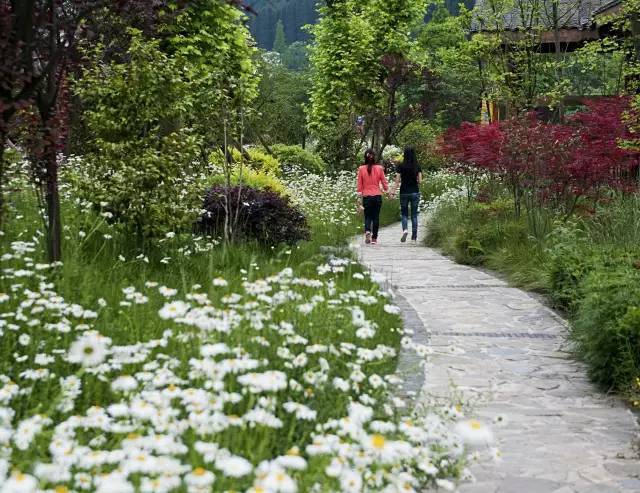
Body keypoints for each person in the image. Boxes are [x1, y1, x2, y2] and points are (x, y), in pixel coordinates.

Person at [357, 149, 388, 245]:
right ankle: (374, 239)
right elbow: (384, 182)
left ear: (365, 157)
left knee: (368, 217)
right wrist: (387, 190)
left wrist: (359, 197)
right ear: (374, 157)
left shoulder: (361, 169)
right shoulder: (379, 168)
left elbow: (359, 186)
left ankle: (367, 231)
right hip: (377, 196)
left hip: (367, 197)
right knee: (376, 217)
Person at [391, 146, 422, 243]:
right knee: (414, 216)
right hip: (414, 192)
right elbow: (420, 181)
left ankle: (405, 230)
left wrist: (393, 191)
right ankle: (414, 239)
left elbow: (397, 181)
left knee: (404, 214)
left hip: (404, 192)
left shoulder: (401, 166)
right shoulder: (417, 166)